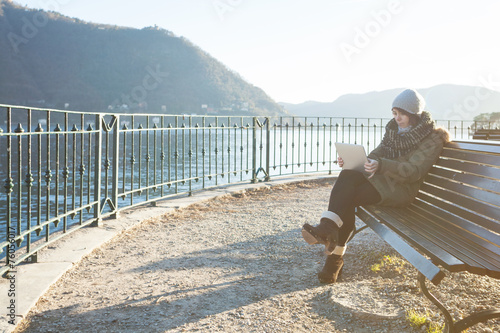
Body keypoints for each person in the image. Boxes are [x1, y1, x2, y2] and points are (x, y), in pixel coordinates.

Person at [301, 88, 450, 284]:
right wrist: (354, 161)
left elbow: (413, 171)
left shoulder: (432, 138)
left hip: (402, 191)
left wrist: (381, 165)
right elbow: (374, 155)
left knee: (348, 196)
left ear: (415, 114)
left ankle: (332, 252)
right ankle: (329, 233)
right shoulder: (393, 132)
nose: (397, 118)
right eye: (394, 113)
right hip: (383, 184)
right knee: (348, 175)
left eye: (402, 114)